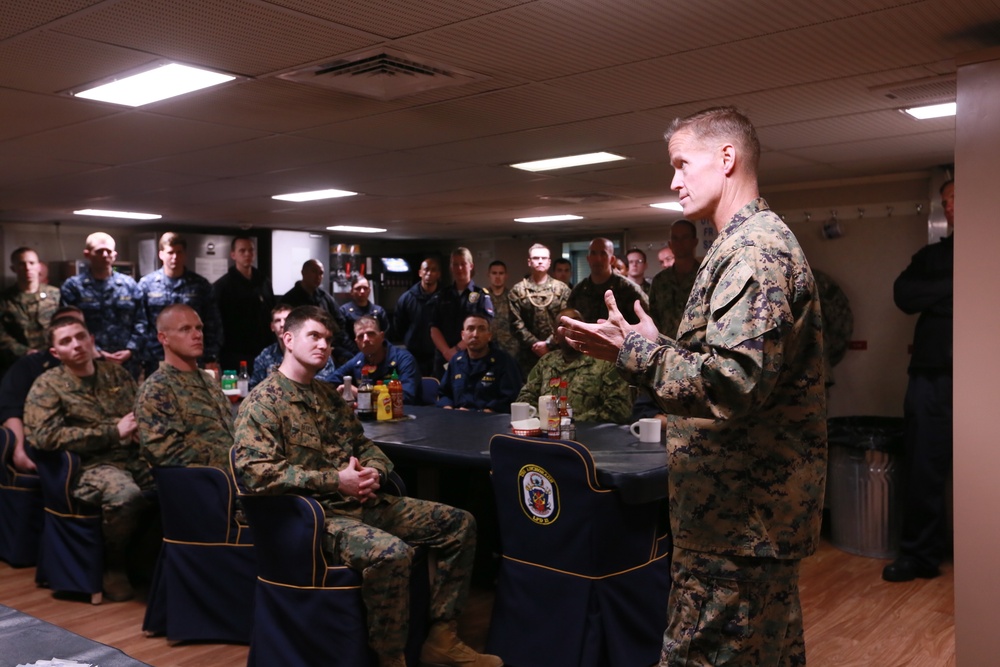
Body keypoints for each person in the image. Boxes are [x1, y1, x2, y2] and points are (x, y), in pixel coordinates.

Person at [559, 106, 826, 666]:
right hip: (743, 522)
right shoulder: (738, 245)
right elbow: (726, 366)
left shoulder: (753, 252)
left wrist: (633, 351)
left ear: (726, 159)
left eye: (682, 164)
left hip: (737, 527)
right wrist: (664, 346)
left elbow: (732, 384)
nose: (673, 180)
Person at [233, 306, 502, 667]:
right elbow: (255, 473)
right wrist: (336, 481)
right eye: (314, 336)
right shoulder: (262, 403)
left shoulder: (328, 397)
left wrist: (373, 470)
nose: (324, 345)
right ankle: (391, 658)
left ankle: (441, 638)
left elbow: (364, 446)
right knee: (392, 554)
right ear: (288, 339)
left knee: (459, 524)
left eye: (328, 340)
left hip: (360, 502)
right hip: (315, 520)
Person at [24, 315, 153, 602]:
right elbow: (43, 437)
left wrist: (137, 431)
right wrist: (111, 432)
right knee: (126, 495)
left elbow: (138, 415)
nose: (77, 345)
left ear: (91, 339)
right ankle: (114, 562)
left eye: (80, 336)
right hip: (87, 466)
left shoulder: (117, 374)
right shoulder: (48, 385)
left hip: (132, 456)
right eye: (66, 341)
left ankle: (152, 562)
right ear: (56, 353)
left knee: (173, 482)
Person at [882, 178, 954, 584]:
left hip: (983, 381)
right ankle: (920, 556)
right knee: (923, 470)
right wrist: (954, 288)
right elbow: (905, 296)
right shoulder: (933, 256)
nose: (949, 205)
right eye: (944, 201)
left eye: (956, 197)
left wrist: (937, 297)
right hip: (931, 380)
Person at [134, 304, 234, 469]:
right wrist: (232, 458)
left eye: (199, 328)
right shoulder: (157, 388)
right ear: (163, 338)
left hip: (236, 474)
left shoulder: (207, 379)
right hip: (203, 481)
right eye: (185, 329)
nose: (197, 335)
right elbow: (164, 451)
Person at [0, 306, 86, 474]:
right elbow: (10, 410)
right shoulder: (30, 366)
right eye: (65, 335)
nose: (75, 343)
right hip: (55, 449)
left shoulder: (108, 369)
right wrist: (18, 451)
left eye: (80, 333)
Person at [516, 308, 632, 424]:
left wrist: (568, 422)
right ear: (555, 337)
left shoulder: (605, 361)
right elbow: (525, 398)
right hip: (547, 433)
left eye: (576, 322)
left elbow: (619, 409)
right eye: (564, 325)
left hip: (592, 435)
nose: (571, 328)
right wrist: (545, 421)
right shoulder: (546, 362)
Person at [134, 232, 223, 377]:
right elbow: (141, 324)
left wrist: (211, 356)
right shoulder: (147, 285)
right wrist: (141, 356)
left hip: (192, 359)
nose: (174, 257)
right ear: (161, 254)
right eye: (170, 252)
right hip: (156, 359)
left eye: (179, 252)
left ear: (185, 254)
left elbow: (213, 323)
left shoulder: (200, 285)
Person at [59, 232, 141, 374]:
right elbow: (68, 325)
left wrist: (131, 349)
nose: (104, 255)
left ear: (114, 255)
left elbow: (141, 320)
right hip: (89, 359)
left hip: (126, 361)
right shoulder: (73, 287)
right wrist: (95, 351)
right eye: (99, 251)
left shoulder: (129, 285)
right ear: (87, 254)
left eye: (108, 251)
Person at [212, 235, 275, 373]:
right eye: (242, 251)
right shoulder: (222, 286)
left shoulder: (264, 282)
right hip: (235, 352)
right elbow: (216, 323)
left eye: (251, 250)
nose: (247, 254)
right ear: (233, 254)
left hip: (263, 350)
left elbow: (271, 312)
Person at [428, 248, 494, 376]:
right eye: (455, 264)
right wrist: (447, 352)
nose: (459, 268)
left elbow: (483, 329)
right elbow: (433, 328)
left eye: (463, 264)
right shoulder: (442, 295)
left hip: (471, 355)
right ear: (451, 267)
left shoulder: (481, 295)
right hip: (444, 357)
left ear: (471, 266)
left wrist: (456, 350)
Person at [437, 313, 522, 413]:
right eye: (470, 329)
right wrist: (448, 408)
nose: (475, 334)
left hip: (491, 421)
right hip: (458, 419)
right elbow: (444, 394)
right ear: (463, 335)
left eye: (481, 329)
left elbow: (510, 397)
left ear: (489, 336)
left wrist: (484, 412)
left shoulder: (504, 361)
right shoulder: (456, 361)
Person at [508, 243, 571, 375]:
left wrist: (548, 343)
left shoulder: (562, 289)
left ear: (549, 262)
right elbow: (516, 323)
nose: (540, 261)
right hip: (527, 355)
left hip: (556, 351)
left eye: (543, 258)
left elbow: (566, 320)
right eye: (536, 258)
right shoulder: (517, 290)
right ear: (529, 262)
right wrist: (535, 344)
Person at [331, 315, 420, 404]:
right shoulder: (357, 360)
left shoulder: (404, 359)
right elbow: (327, 382)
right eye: (361, 336)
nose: (365, 339)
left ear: (381, 336)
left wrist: (361, 394)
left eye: (370, 334)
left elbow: (407, 397)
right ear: (356, 342)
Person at [0, 247, 61, 376]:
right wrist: (24, 352)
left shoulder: (55, 295)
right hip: (18, 364)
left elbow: (65, 325)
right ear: (13, 269)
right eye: (22, 264)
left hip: (54, 361)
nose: (28, 268)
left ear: (39, 266)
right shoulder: (5, 299)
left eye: (32, 263)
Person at [251, 302, 338, 389]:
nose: (282, 324)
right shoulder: (266, 354)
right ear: (272, 326)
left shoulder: (320, 355)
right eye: (278, 320)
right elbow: (254, 386)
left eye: (286, 320)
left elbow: (322, 387)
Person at [281, 259, 350, 363]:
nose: (318, 277)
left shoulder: (325, 297)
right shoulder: (290, 299)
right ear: (303, 272)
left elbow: (340, 321)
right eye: (314, 272)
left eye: (321, 273)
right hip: (300, 346)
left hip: (327, 344)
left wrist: (331, 343)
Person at [567, 238, 648, 325]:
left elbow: (646, 324)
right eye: (593, 253)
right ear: (588, 258)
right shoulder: (579, 291)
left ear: (612, 260)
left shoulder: (629, 289)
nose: (598, 259)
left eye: (603, 254)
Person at [649, 219, 702, 338]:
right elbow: (654, 318)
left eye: (685, 237)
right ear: (670, 244)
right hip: (666, 348)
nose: (680, 243)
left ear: (695, 242)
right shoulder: (660, 281)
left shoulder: (706, 276)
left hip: (699, 350)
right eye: (675, 238)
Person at [394, 257, 442, 377]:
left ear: (438, 274)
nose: (429, 273)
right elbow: (399, 326)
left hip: (439, 355)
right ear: (420, 273)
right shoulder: (406, 299)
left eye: (433, 270)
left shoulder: (446, 298)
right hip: (414, 355)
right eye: (426, 270)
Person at [339, 275, 389, 355]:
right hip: (352, 354)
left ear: (369, 290)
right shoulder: (344, 311)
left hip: (376, 353)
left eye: (365, 288)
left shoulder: (379, 311)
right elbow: (342, 337)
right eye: (358, 288)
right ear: (351, 291)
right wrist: (359, 353)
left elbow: (385, 334)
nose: (362, 291)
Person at [486, 260, 519, 361]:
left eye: (501, 273)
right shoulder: (483, 297)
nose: (497, 277)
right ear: (488, 275)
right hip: (487, 348)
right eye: (494, 273)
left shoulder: (514, 297)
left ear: (506, 276)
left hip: (510, 349)